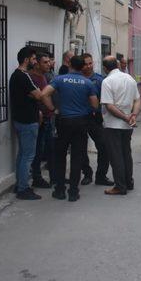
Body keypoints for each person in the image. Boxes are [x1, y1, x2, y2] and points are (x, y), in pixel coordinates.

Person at [41, 55, 99, 202]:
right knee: (77, 157)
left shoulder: (59, 79)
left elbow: (44, 94)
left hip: (63, 121)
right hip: (81, 122)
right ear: (82, 67)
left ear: (70, 65)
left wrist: (53, 109)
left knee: (60, 156)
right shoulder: (88, 83)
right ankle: (73, 191)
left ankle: (60, 190)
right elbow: (95, 105)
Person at [10, 47, 48, 200]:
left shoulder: (16, 75)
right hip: (27, 121)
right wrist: (38, 92)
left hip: (20, 120)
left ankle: (19, 184)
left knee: (22, 154)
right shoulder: (23, 76)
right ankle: (23, 188)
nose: (35, 61)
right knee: (28, 156)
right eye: (33, 59)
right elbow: (39, 95)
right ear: (26, 60)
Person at [100, 56, 141, 196]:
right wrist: (133, 116)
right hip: (128, 125)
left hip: (113, 124)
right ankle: (128, 182)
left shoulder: (107, 81)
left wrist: (126, 117)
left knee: (116, 156)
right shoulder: (129, 79)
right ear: (117, 65)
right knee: (126, 154)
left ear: (105, 68)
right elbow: (137, 99)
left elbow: (109, 106)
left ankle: (120, 186)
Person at [81, 53, 113, 186]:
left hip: (96, 118)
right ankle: (87, 174)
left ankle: (101, 176)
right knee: (81, 148)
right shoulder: (78, 79)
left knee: (104, 147)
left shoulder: (100, 80)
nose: (89, 66)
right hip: (81, 118)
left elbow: (106, 100)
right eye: (86, 64)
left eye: (90, 63)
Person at [29, 52, 54, 189]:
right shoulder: (32, 78)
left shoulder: (43, 76)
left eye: (49, 61)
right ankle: (37, 178)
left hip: (47, 118)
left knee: (49, 149)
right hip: (40, 119)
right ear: (37, 64)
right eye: (45, 62)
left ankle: (54, 177)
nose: (48, 64)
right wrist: (51, 109)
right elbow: (37, 98)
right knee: (37, 151)